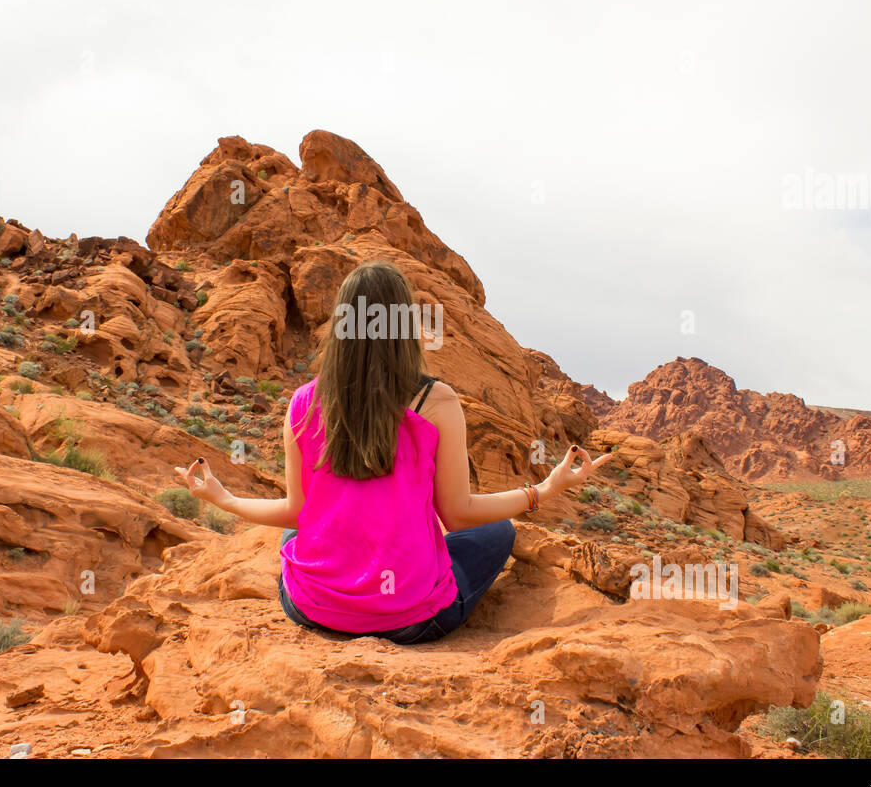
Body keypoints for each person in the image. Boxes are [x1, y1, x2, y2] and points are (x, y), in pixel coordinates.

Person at [174, 260, 609, 644]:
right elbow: (457, 514)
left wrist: (223, 499)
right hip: (409, 620)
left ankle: (344, 587)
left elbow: (296, 511)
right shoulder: (436, 402)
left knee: (296, 536)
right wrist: (544, 490)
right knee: (498, 533)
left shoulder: (304, 402)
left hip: (313, 608)